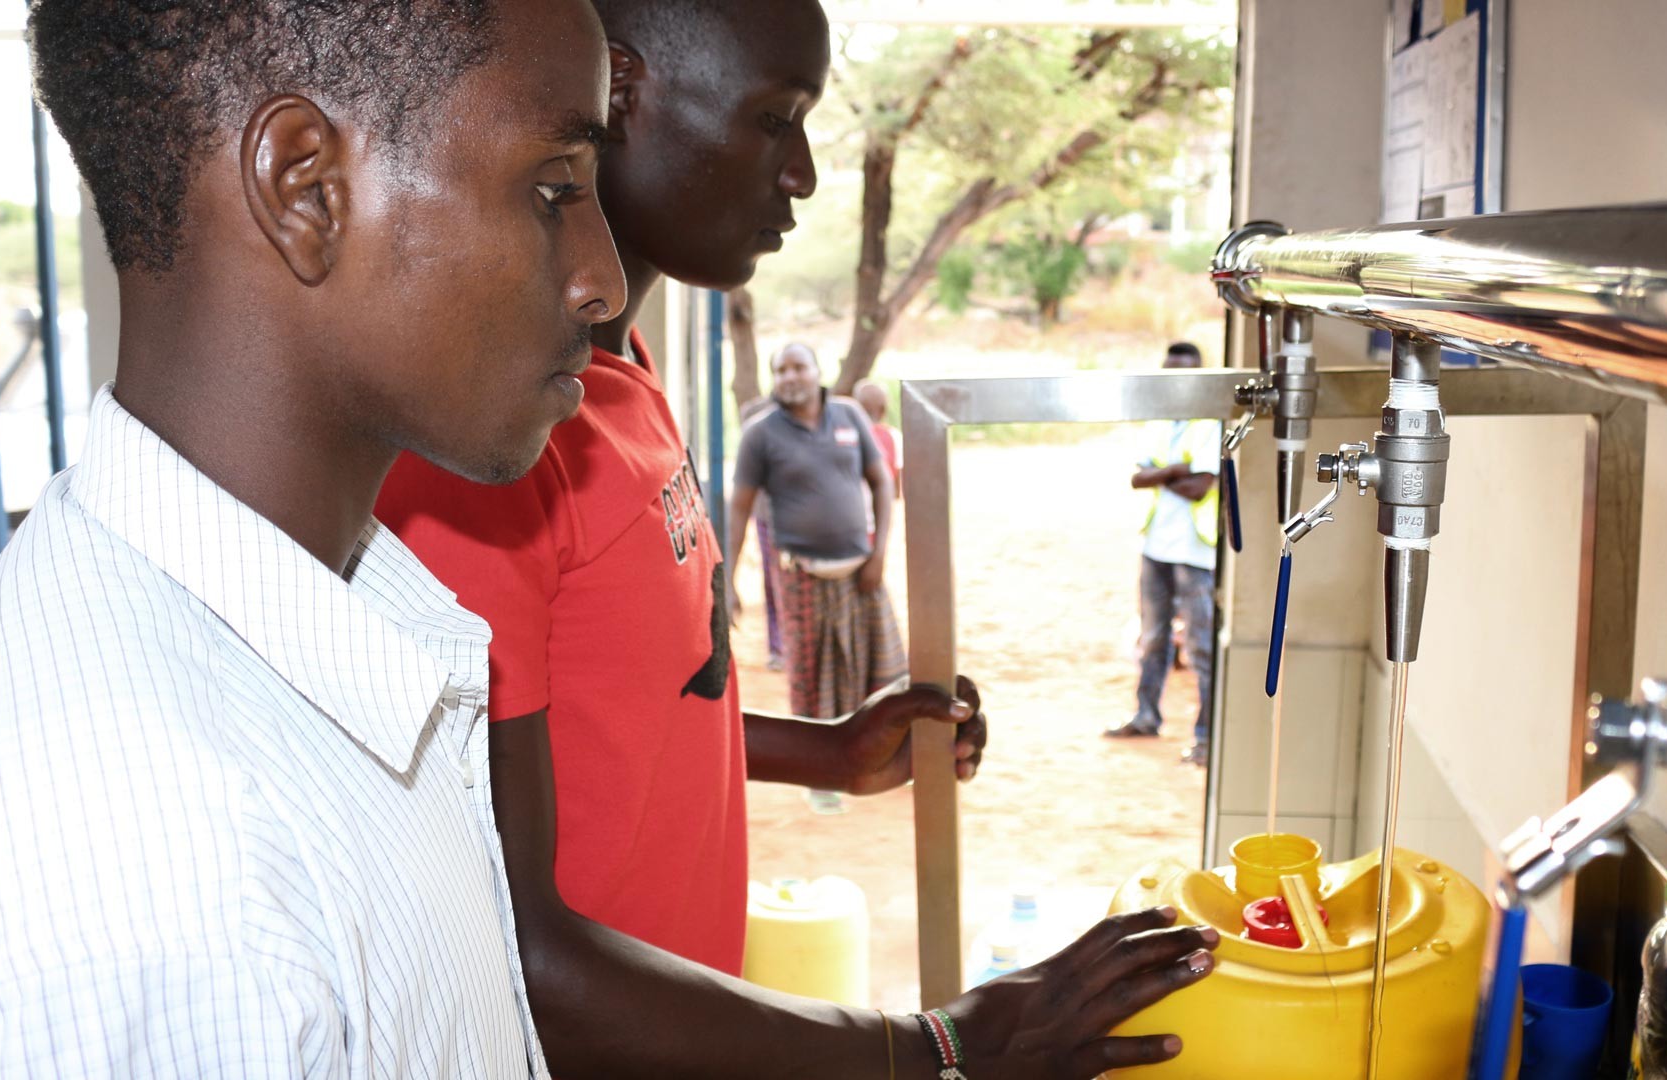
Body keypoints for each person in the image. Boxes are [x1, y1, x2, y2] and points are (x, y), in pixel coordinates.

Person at [377, 1, 1218, 1075]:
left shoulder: (620, 378)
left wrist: (815, 749)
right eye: (775, 119)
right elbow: (523, 957)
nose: (805, 173)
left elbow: (612, 717)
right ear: (621, 94)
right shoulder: (496, 453)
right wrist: (942, 1048)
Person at [0, 0, 630, 1072]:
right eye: (553, 191)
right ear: (305, 189)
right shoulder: (150, 878)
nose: (605, 279)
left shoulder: (338, 620)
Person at [728, 343, 906, 724]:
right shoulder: (759, 434)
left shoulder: (849, 415)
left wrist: (879, 557)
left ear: (817, 370)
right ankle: (822, 775)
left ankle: (881, 758)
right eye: (780, 370)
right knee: (811, 679)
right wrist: (727, 581)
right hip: (800, 576)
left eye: (798, 366)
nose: (790, 376)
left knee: (880, 671)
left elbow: (882, 482)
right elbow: (739, 508)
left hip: (861, 571)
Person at [1106, 341, 1222, 767]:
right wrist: (1177, 469)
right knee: (1152, 638)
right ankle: (1145, 716)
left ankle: (1206, 738)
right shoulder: (1157, 421)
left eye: (1186, 372)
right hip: (1156, 546)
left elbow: (1200, 489)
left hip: (1195, 552)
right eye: (1171, 371)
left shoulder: (1212, 422)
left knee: (1200, 647)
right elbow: (1138, 479)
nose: (1177, 380)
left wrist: (1162, 473)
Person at [741, 394, 788, 669]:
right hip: (767, 519)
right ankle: (778, 649)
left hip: (794, 520)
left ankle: (788, 649)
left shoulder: (797, 413)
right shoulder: (756, 415)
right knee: (773, 584)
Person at [856, 378, 903, 499]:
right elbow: (897, 483)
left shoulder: (849, 435)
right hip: (885, 501)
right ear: (884, 409)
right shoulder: (894, 435)